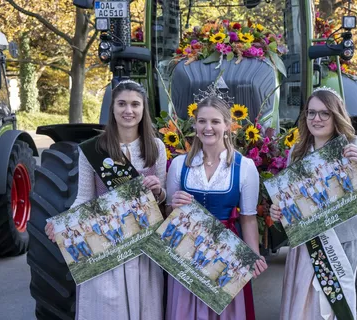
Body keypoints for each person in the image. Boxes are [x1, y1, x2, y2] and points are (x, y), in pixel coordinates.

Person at [45, 80, 167, 320]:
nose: (128, 110)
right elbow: (84, 197)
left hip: (143, 244)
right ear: (112, 109)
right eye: (122, 104)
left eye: (135, 104)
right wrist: (64, 224)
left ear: (143, 109)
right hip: (107, 243)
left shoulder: (157, 147)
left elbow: (163, 199)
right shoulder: (93, 148)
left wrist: (158, 190)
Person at [269, 88, 357, 320]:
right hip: (307, 246)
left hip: (342, 243)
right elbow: (289, 203)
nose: (317, 119)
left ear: (337, 115)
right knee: (304, 306)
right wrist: (278, 211)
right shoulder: (297, 152)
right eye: (311, 113)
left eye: (325, 113)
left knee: (334, 307)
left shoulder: (352, 145)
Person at [166, 96, 267, 320]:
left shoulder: (245, 166)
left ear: (227, 125)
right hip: (187, 249)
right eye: (202, 121)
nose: (208, 127)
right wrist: (174, 206)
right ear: (194, 125)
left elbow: (248, 218)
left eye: (215, 121)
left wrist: (254, 256)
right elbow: (168, 215)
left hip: (227, 252)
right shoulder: (178, 165)